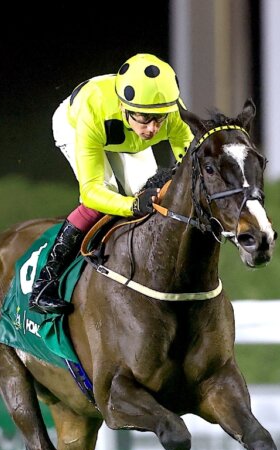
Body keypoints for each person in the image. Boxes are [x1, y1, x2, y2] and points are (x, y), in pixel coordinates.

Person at [29, 53, 195, 315]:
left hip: (125, 136)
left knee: (152, 197)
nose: (152, 129)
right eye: (143, 117)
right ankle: (44, 283)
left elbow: (191, 168)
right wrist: (130, 205)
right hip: (78, 125)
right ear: (124, 107)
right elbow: (92, 192)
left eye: (159, 119)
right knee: (107, 201)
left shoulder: (172, 113)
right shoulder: (94, 111)